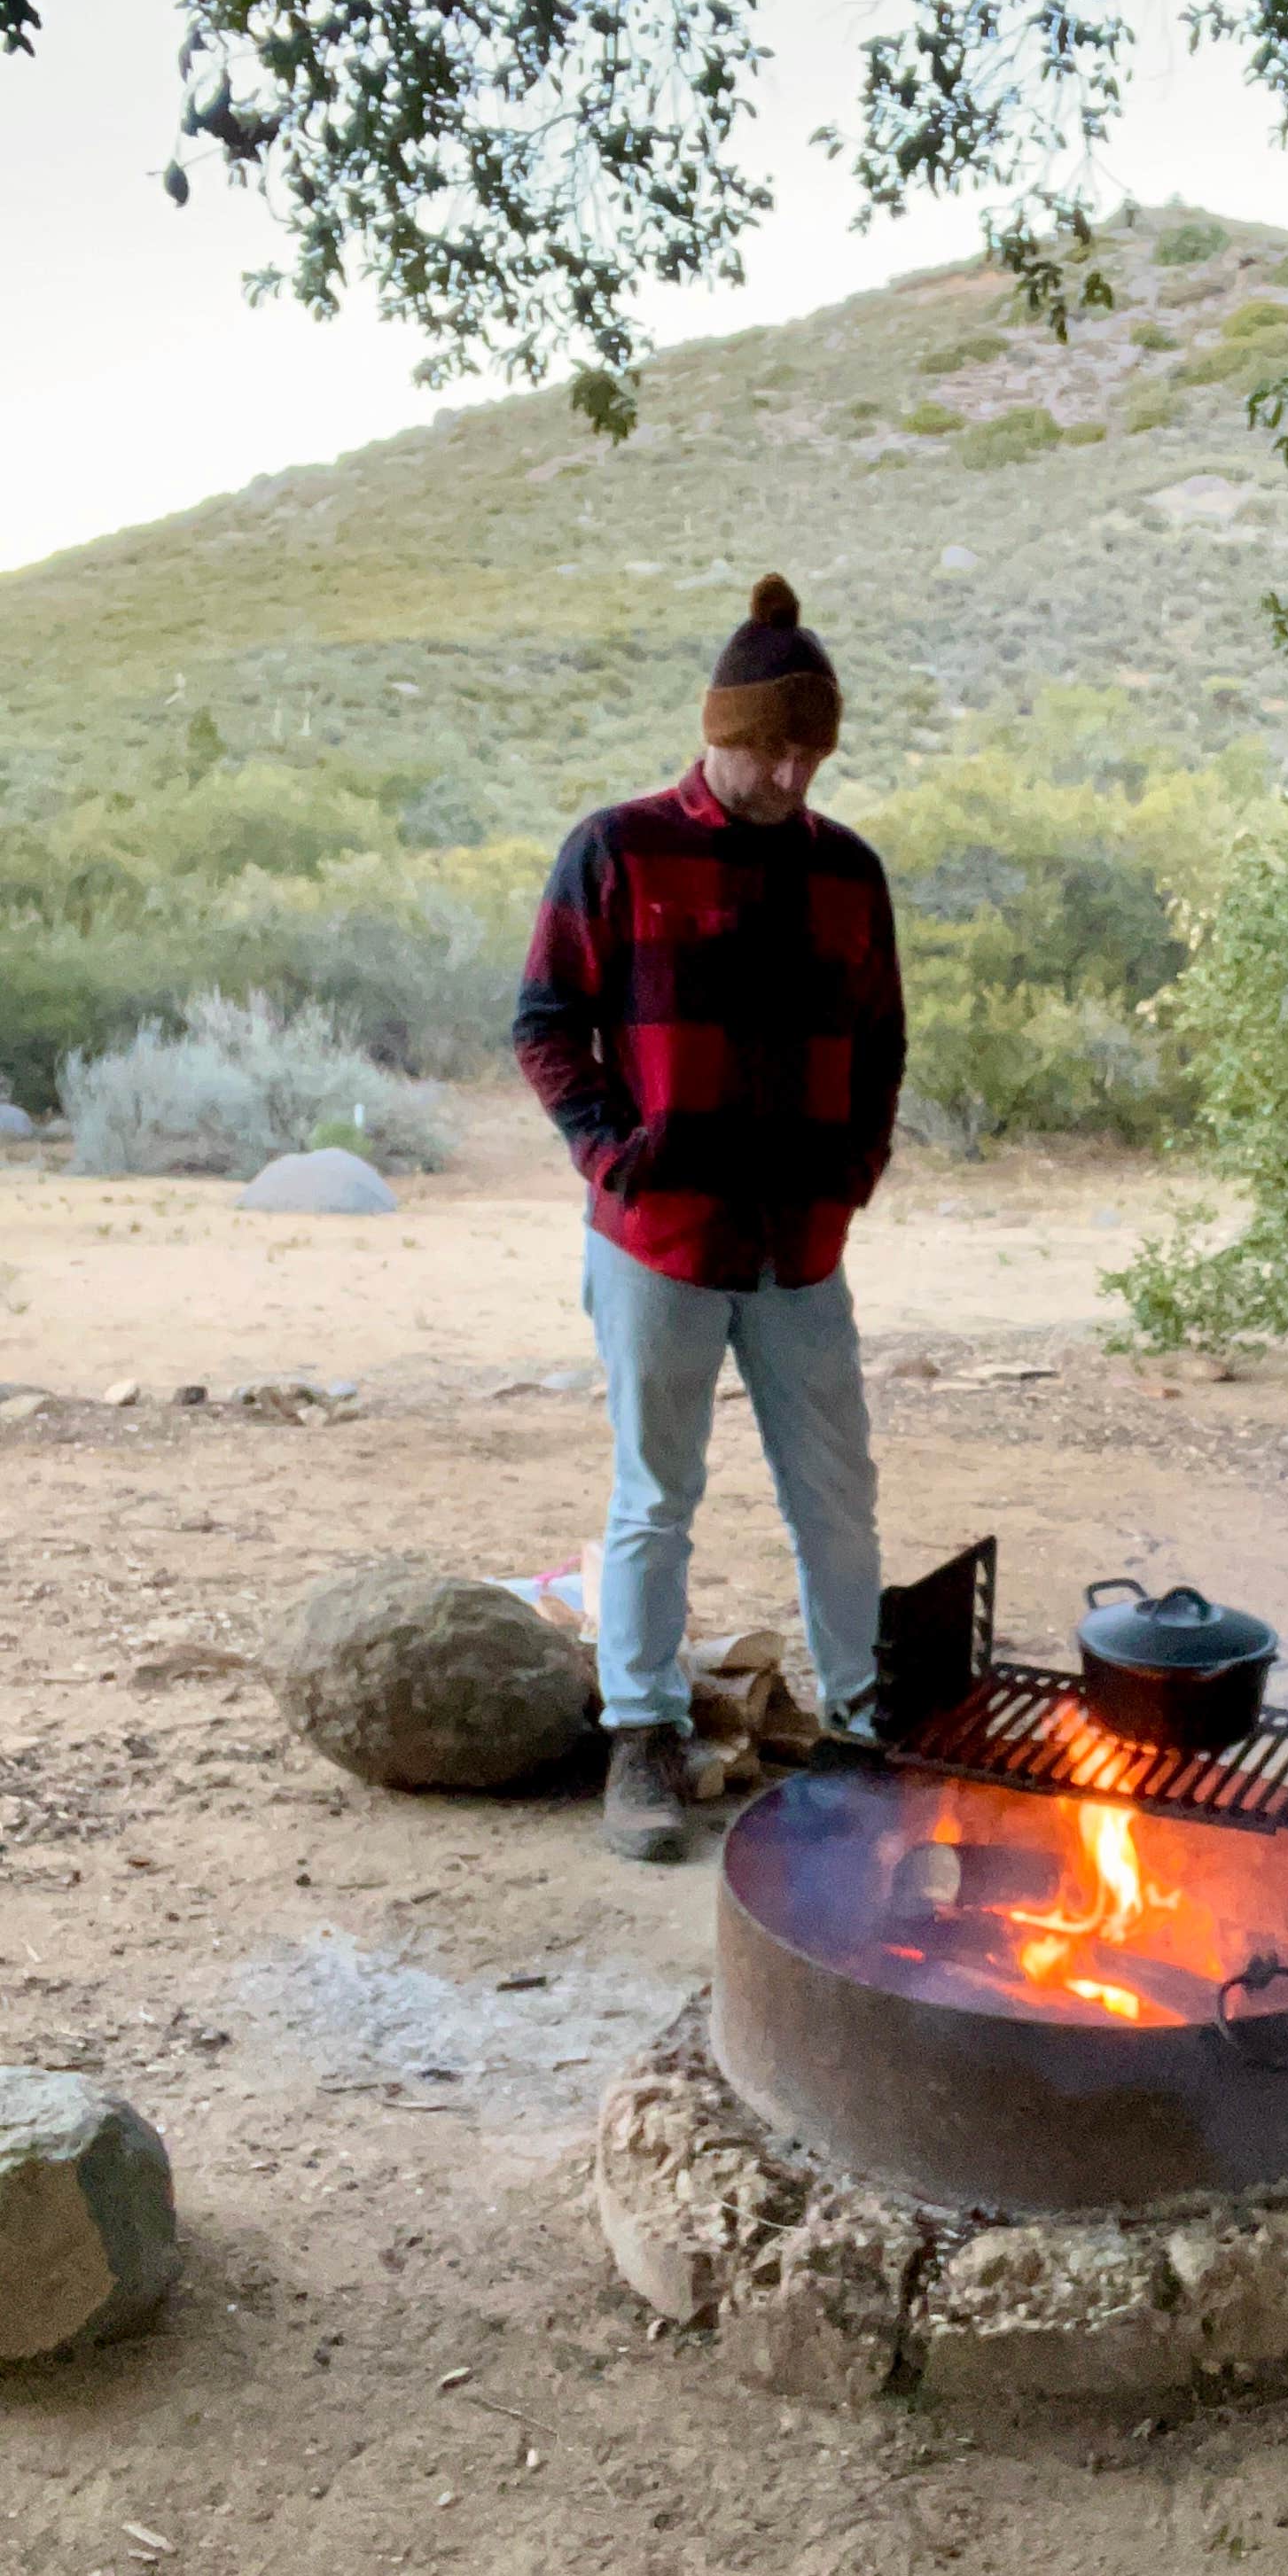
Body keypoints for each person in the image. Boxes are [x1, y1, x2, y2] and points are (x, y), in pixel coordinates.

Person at [512, 573, 905, 1861]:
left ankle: (860, 1730)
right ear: (720, 733)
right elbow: (545, 1025)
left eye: (813, 753)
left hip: (802, 1246)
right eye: (772, 749)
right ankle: (642, 1738)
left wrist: (855, 1170)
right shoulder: (619, 849)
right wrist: (612, 1157)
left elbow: (882, 1044)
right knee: (655, 1495)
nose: (794, 774)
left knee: (837, 1496)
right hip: (661, 1240)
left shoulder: (848, 871)